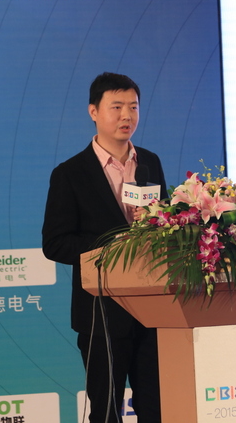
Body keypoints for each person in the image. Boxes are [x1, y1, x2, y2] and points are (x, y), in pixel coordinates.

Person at [42, 72, 167, 423]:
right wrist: (117, 244)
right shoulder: (70, 173)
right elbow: (55, 244)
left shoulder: (150, 162)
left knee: (158, 409)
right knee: (106, 412)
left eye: (133, 107)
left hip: (154, 310)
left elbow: (167, 224)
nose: (127, 115)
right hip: (101, 313)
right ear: (93, 112)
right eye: (117, 107)